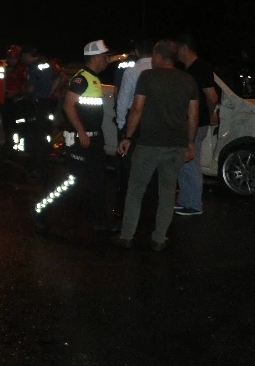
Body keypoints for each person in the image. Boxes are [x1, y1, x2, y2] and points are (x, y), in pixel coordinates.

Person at [114, 40, 199, 251]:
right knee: (168, 192)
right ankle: (159, 238)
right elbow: (193, 114)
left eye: (153, 56)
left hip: (149, 144)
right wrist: (189, 142)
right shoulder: (188, 80)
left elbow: (137, 108)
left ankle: (127, 236)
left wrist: (127, 137)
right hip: (176, 145)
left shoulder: (148, 77)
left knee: (135, 190)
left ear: (159, 57)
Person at [33, 40, 113, 234]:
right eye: (105, 57)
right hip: (81, 139)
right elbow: (68, 106)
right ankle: (41, 210)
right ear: (95, 57)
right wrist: (82, 132)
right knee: (70, 181)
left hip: (93, 139)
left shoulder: (93, 79)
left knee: (97, 180)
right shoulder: (81, 79)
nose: (107, 60)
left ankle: (99, 221)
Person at [174, 33, 220, 216]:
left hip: (196, 123)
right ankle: (186, 199)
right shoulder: (191, 69)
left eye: (178, 50)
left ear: (185, 48)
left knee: (190, 162)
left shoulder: (200, 68)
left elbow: (212, 96)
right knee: (185, 162)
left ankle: (193, 204)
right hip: (190, 122)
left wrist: (209, 114)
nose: (176, 54)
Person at [115, 39, 153, 209]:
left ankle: (127, 202)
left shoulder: (132, 71)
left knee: (128, 164)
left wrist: (122, 126)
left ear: (137, 51)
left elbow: (123, 100)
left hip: (134, 122)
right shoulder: (160, 70)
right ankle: (149, 200)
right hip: (154, 122)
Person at [21, 47, 64, 179]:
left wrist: (19, 93)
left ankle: (36, 168)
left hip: (36, 105)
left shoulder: (33, 67)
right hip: (47, 104)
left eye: (23, 56)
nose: (22, 59)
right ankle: (44, 165)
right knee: (45, 135)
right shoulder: (48, 65)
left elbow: (30, 89)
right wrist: (51, 92)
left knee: (36, 137)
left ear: (28, 55)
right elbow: (61, 77)